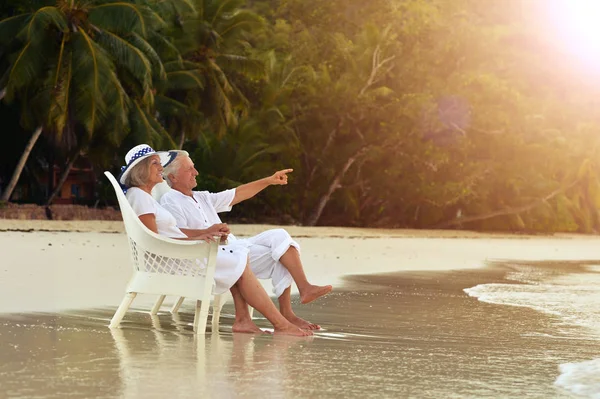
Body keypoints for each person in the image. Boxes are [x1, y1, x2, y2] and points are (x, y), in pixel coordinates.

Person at [118, 144, 311, 336]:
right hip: (178, 258)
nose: (160, 167)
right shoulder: (145, 197)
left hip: (189, 251)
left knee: (271, 245)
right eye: (155, 163)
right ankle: (277, 323)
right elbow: (155, 241)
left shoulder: (146, 197)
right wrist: (202, 237)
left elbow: (235, 195)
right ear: (142, 169)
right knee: (239, 256)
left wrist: (204, 234)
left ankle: (271, 317)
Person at [159, 150, 332, 330]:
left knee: (281, 239)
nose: (196, 172)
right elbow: (175, 232)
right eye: (190, 169)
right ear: (173, 177)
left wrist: (269, 180)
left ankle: (301, 293)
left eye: (194, 167)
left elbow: (237, 194)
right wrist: (208, 231)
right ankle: (269, 320)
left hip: (232, 245)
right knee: (250, 254)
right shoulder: (170, 200)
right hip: (210, 255)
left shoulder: (201, 197)